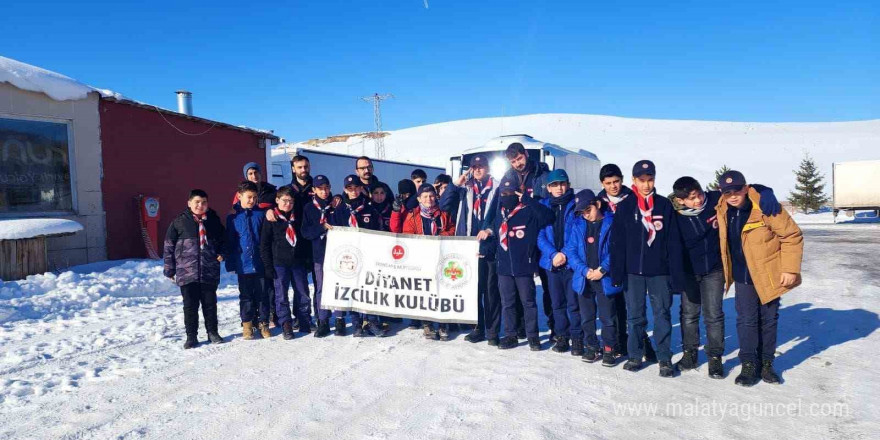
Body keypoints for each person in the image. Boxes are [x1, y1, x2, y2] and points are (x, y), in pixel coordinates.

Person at [671, 176, 780, 378]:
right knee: (688, 315)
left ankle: (715, 358)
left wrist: (766, 191)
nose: (697, 201)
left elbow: (743, 188)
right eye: (692, 198)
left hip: (714, 270)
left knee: (713, 315)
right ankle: (690, 354)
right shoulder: (673, 214)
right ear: (680, 201)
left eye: (699, 195)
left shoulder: (715, 200)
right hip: (689, 272)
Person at [715, 170, 803, 386]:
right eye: (728, 192)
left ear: (745, 189)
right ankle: (749, 364)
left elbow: (792, 236)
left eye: (737, 190)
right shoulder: (722, 207)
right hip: (743, 277)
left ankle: (766, 364)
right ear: (722, 193)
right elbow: (691, 197)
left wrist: (790, 269)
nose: (733, 196)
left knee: (768, 320)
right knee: (746, 321)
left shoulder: (765, 206)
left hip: (769, 274)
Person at [610, 160, 685, 377]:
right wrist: (617, 272)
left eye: (649, 180)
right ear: (633, 180)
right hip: (633, 272)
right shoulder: (625, 207)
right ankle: (635, 355)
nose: (646, 185)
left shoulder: (663, 205)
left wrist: (675, 275)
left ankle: (663, 357)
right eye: (641, 180)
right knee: (635, 316)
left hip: (659, 272)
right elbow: (618, 243)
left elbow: (673, 243)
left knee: (662, 314)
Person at [479, 178, 554, 351]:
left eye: (511, 193)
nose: (507, 197)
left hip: (524, 265)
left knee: (528, 302)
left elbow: (548, 217)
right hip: (504, 267)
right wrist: (486, 249)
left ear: (518, 193)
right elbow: (497, 237)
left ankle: (533, 337)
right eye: (503, 194)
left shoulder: (528, 211)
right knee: (508, 303)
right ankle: (510, 335)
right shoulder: (500, 213)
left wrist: (527, 200)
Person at [597, 163, 656, 363]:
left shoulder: (634, 198)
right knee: (613, 305)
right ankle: (618, 343)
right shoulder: (599, 203)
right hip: (609, 259)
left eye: (616, 181)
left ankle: (643, 343)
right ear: (602, 184)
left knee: (634, 307)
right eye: (608, 183)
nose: (613, 186)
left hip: (631, 258)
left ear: (622, 180)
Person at [441, 154, 501, 345]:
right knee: (474, 290)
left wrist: (490, 230)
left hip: (490, 245)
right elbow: (444, 205)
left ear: (488, 168)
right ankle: (478, 328)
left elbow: (502, 215)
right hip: (468, 245)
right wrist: (455, 184)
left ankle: (492, 332)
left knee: (491, 291)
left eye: (481, 166)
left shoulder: (498, 188)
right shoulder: (465, 190)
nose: (477, 170)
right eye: (474, 167)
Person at [564, 189, 626, 366]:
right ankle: (592, 346)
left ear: (597, 204)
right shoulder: (578, 225)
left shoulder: (612, 223)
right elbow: (571, 250)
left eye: (588, 210)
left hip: (604, 278)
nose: (586, 215)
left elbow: (617, 249)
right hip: (585, 278)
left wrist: (603, 269)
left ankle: (609, 348)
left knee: (608, 317)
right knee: (587, 316)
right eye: (582, 212)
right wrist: (583, 270)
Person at [163, 189, 226, 349]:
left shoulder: (213, 221)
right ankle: (191, 336)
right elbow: (169, 246)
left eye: (204, 202)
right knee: (190, 306)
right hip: (187, 271)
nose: (200, 205)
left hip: (209, 270)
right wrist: (170, 269)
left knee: (210, 304)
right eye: (197, 202)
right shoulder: (179, 222)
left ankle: (213, 332)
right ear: (189, 203)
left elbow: (223, 240)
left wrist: (222, 253)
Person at [501, 142, 549, 338]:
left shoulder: (542, 173)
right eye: (513, 161)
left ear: (526, 154)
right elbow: (499, 205)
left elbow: (548, 205)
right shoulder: (508, 177)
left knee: (546, 284)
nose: (517, 163)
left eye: (519, 158)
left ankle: (555, 327)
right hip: (521, 235)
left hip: (542, 231)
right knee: (519, 286)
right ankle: (520, 327)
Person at [328, 175, 386, 337]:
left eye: (356, 188)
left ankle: (371, 320)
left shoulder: (369, 208)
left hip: (367, 254)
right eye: (350, 188)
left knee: (369, 288)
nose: (353, 191)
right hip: (349, 257)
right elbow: (334, 232)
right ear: (345, 189)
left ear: (361, 188)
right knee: (352, 288)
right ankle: (356, 323)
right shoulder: (339, 209)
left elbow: (378, 230)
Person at [402, 184, 456, 340]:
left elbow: (453, 229)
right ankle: (427, 323)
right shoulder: (413, 216)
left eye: (431, 196)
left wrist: (441, 237)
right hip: (422, 259)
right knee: (425, 291)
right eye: (425, 196)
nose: (429, 199)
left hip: (442, 257)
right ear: (419, 199)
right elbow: (407, 235)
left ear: (436, 197)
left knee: (443, 290)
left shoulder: (444, 214)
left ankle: (443, 323)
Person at [536, 169, 581, 355]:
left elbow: (577, 234)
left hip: (570, 262)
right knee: (557, 303)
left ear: (568, 185)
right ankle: (562, 336)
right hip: (551, 263)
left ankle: (578, 337)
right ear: (548, 187)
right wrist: (553, 254)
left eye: (562, 184)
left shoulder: (576, 205)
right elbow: (539, 235)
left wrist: (564, 254)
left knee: (574, 303)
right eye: (554, 185)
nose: (559, 188)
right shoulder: (543, 206)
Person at [260, 186, 310, 340]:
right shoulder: (271, 218)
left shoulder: (298, 216)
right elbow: (264, 244)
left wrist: (307, 259)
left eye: (290, 201)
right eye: (284, 201)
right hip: (279, 263)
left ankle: (304, 320)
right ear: (277, 200)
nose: (287, 204)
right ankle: (286, 323)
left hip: (298, 262)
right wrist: (268, 266)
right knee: (281, 295)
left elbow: (305, 239)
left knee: (302, 292)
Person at [226, 181, 271, 340]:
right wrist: (231, 262)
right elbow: (230, 242)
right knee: (245, 296)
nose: (252, 200)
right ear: (239, 196)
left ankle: (263, 323)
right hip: (243, 264)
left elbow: (266, 240)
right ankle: (247, 324)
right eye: (248, 197)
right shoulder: (232, 218)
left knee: (262, 295)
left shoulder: (261, 215)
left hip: (260, 264)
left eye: (254, 197)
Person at [301, 175, 335, 337]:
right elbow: (305, 232)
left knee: (339, 285)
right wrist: (321, 227)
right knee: (321, 287)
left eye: (327, 187)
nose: (324, 191)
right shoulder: (309, 208)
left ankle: (341, 319)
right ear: (313, 190)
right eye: (320, 188)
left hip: (337, 253)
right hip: (319, 254)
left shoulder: (335, 204)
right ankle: (323, 320)